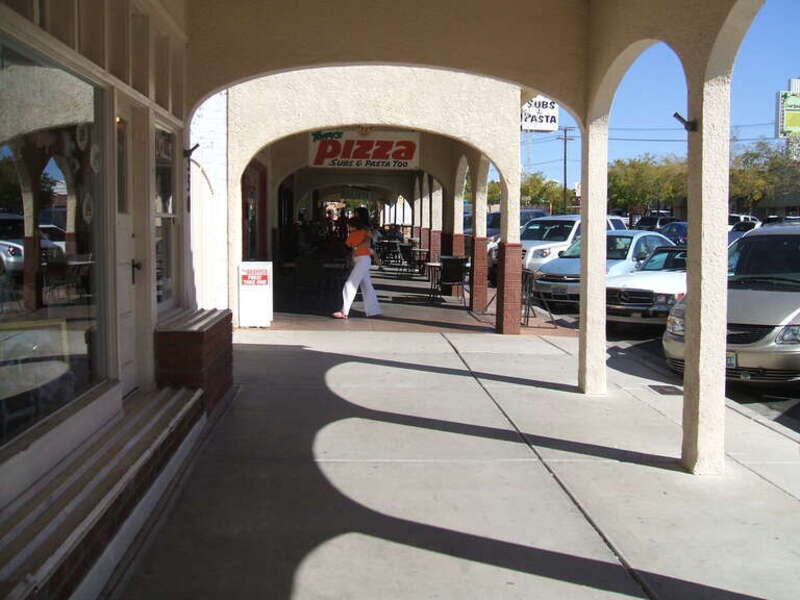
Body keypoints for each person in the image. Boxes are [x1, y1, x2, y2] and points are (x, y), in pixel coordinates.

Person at [332, 216, 381, 319]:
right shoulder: (353, 235)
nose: (348, 227)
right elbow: (348, 248)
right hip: (360, 260)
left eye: (349, 225)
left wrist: (356, 248)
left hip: (363, 260)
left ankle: (344, 311)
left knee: (350, 284)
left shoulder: (364, 232)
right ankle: (373, 310)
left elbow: (367, 243)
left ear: (353, 225)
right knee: (366, 285)